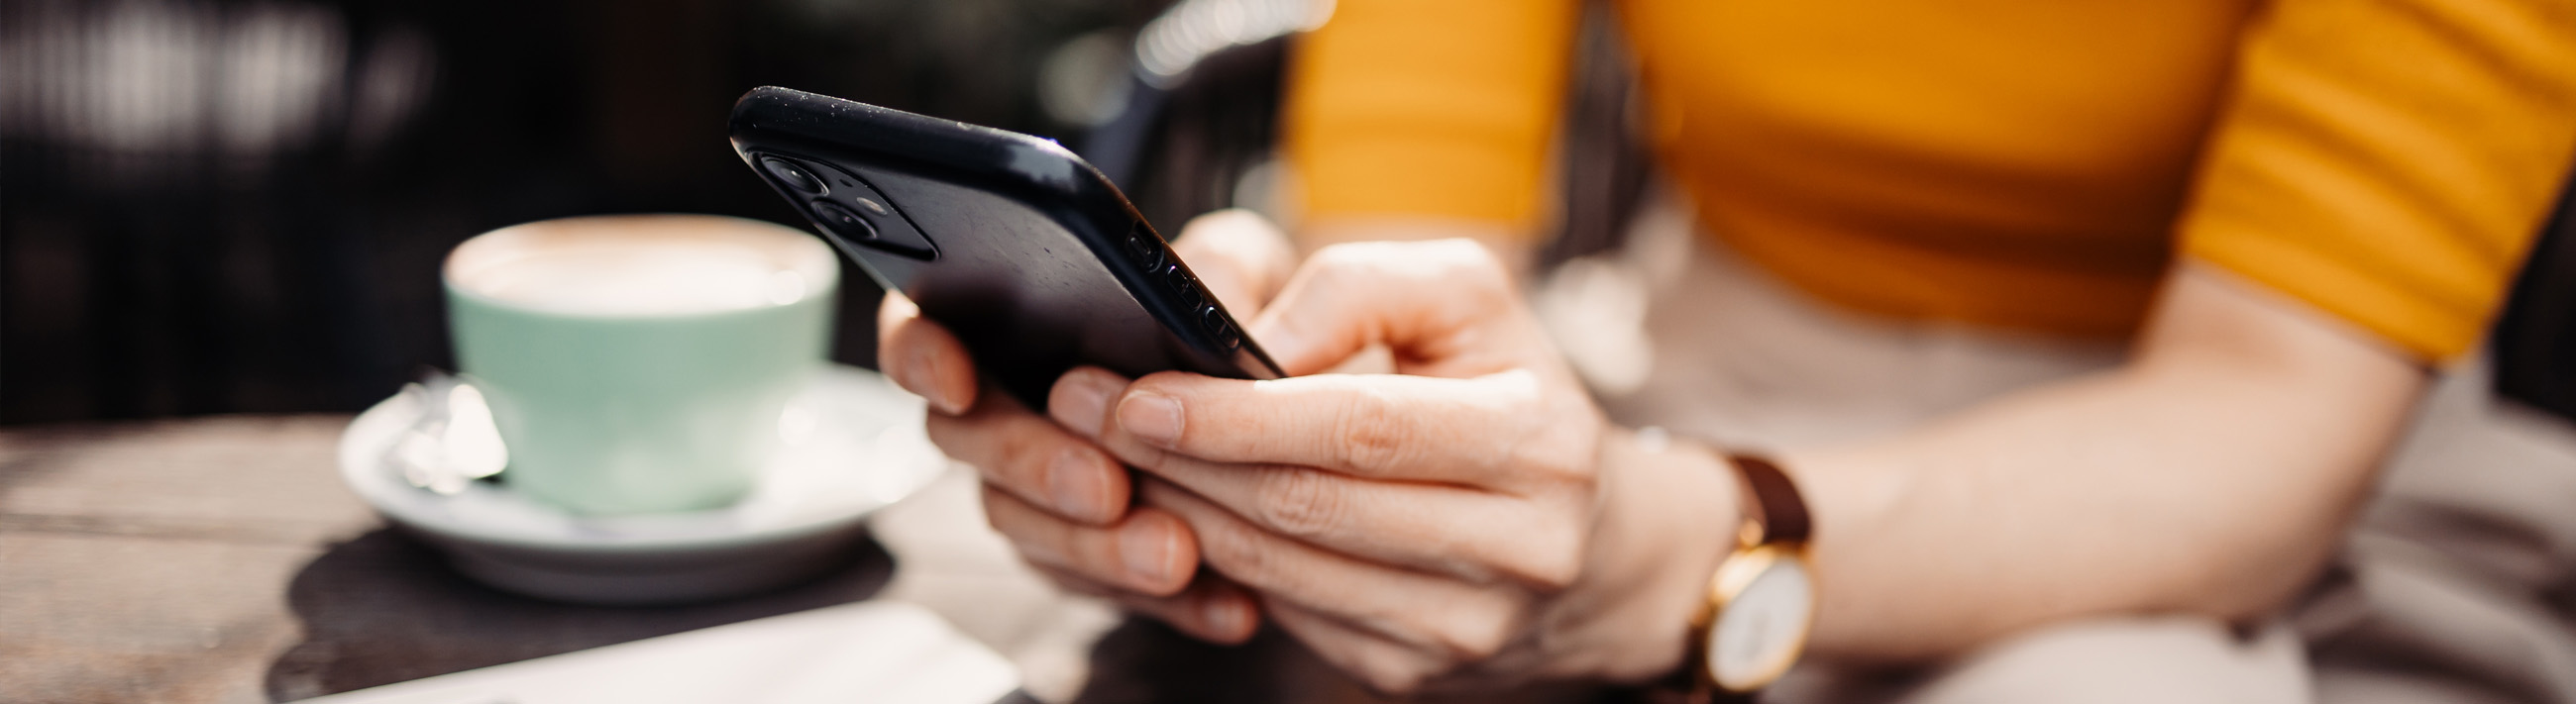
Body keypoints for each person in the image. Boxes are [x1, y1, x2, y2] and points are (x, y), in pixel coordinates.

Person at [882, 0, 2576, 699]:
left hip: (2264, 479)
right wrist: (1333, 405)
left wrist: (1670, 548)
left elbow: (2263, 424)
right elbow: (1411, 226)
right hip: (1680, 385)